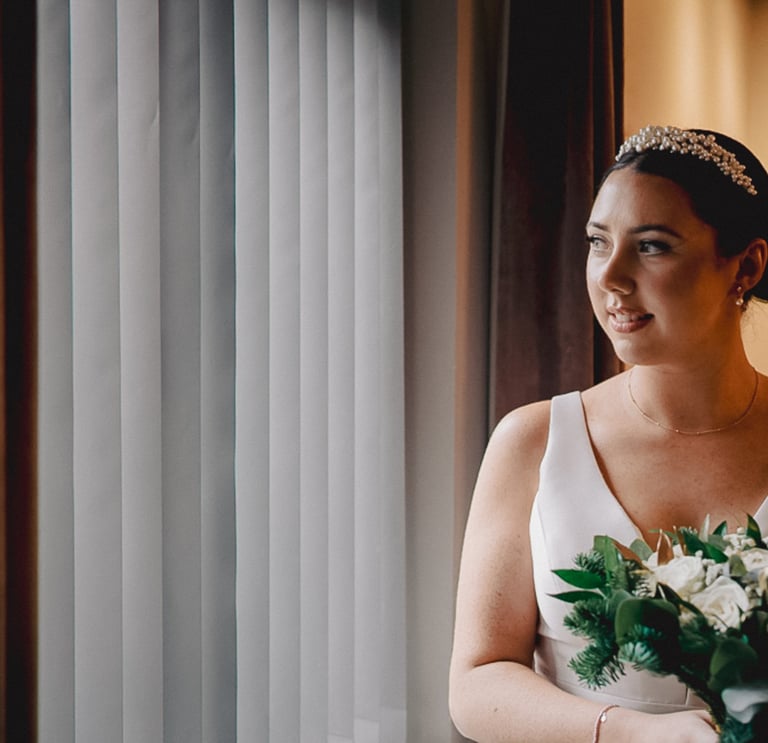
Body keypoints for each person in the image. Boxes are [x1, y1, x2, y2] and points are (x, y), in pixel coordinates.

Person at [449, 125, 768, 743]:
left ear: (746, 265)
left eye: (651, 247)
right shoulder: (533, 442)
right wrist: (628, 732)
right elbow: (477, 680)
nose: (611, 277)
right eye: (599, 243)